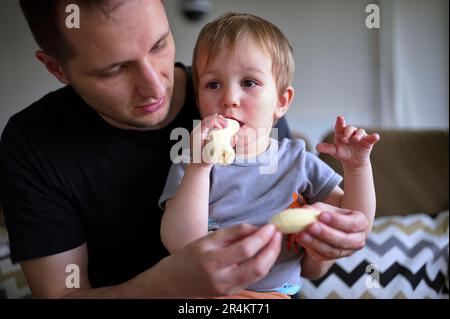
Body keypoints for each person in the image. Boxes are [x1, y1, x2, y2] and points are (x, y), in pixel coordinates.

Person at [0, 0, 372, 298]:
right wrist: (175, 287)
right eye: (114, 69)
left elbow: (313, 261)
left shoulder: (268, 132)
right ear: (56, 68)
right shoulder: (33, 143)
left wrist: (329, 242)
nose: (153, 87)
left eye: (159, 44)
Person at [159, 13, 380, 298]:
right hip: (210, 295)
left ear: (281, 101)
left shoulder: (298, 162)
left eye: (248, 82)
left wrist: (358, 168)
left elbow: (354, 223)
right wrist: (199, 168)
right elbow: (181, 245)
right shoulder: (193, 161)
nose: (229, 98)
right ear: (199, 101)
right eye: (213, 84)